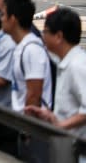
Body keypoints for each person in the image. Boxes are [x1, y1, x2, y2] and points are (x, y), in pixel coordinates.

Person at [25, 8, 86, 138]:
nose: (43, 36)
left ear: (58, 36)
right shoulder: (63, 62)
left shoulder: (77, 66)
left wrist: (60, 126)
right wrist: (51, 117)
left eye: (45, 31)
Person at [1, 0, 52, 112]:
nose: (1, 19)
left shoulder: (32, 50)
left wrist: (25, 126)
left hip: (28, 125)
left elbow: (34, 95)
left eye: (3, 15)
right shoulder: (21, 46)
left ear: (13, 19)